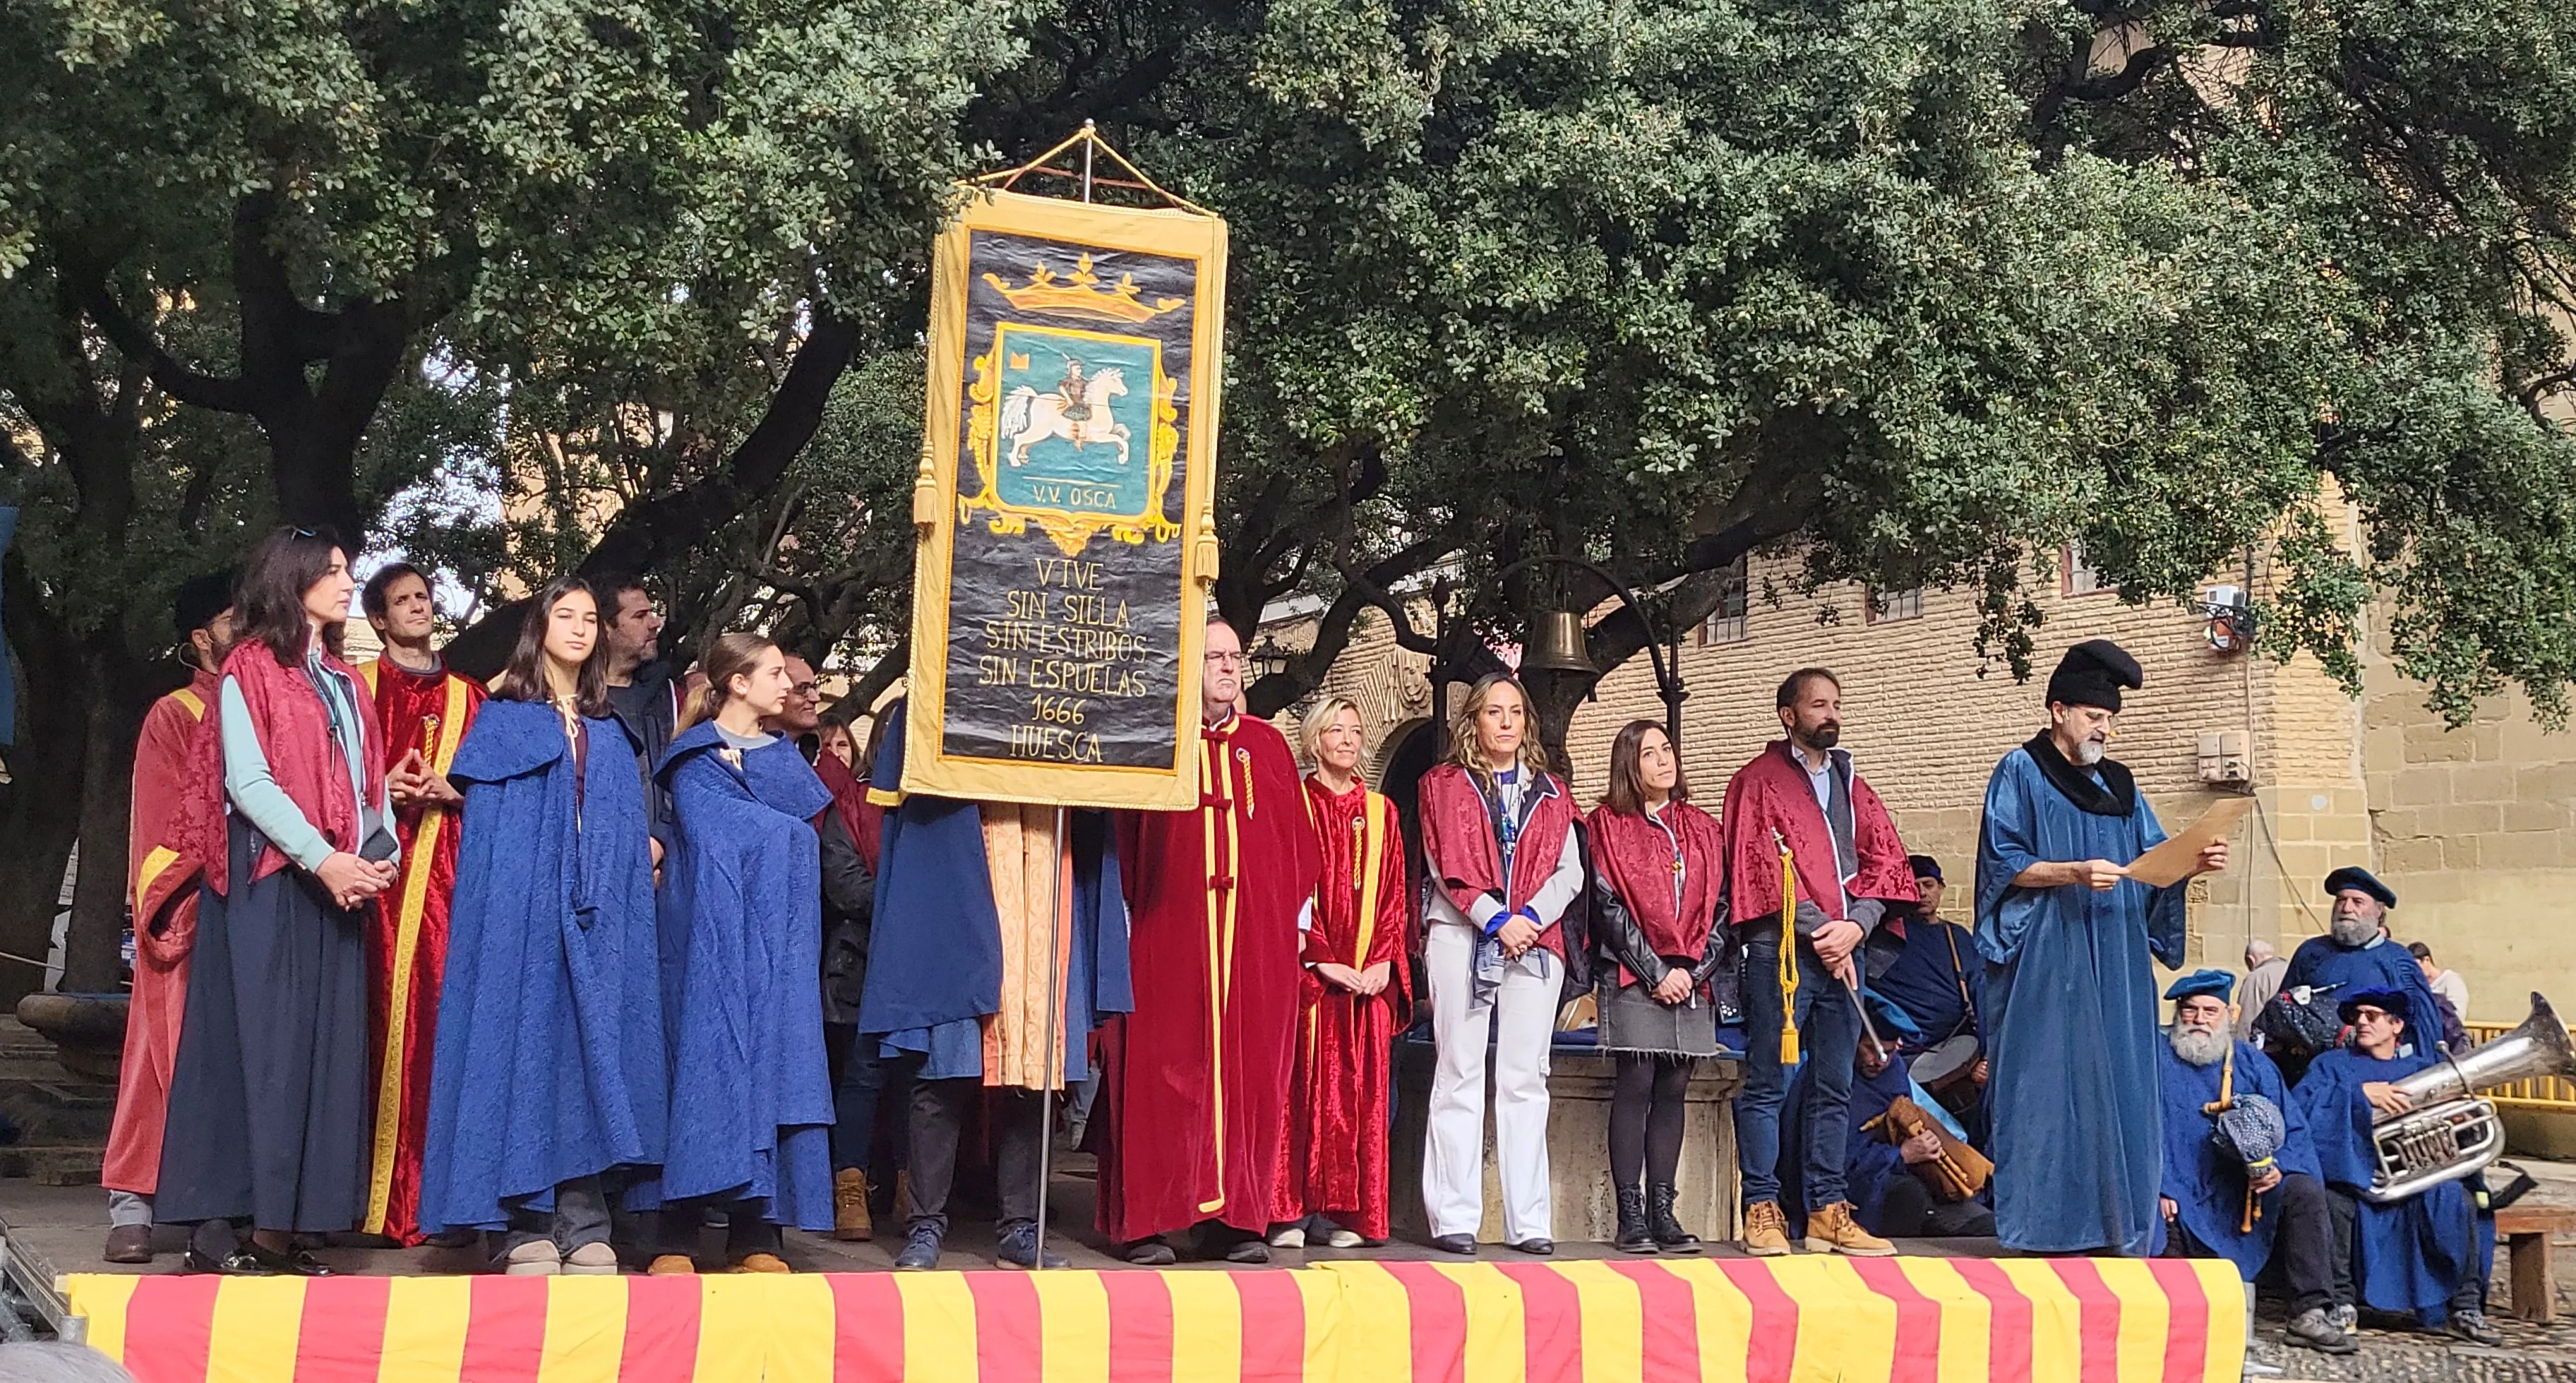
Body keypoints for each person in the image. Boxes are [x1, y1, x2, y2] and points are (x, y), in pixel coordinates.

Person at [158, 527, 397, 1274]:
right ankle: (219, 1231)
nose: (346, 583)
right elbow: (249, 782)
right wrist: (324, 859)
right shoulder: (249, 669)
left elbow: (371, 781)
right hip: (269, 879)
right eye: (332, 572)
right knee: (258, 1050)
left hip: (339, 885)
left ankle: (284, 1231)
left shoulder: (349, 681)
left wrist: (376, 855)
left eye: (348, 572)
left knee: (322, 1055)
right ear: (291, 582)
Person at [415, 576, 664, 1275]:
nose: (581, 629)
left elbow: (619, 829)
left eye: (591, 617)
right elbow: (497, 842)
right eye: (566, 616)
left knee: (592, 1059)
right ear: (540, 628)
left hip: (598, 924)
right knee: (525, 1054)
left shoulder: (610, 733)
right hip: (525, 922)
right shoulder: (504, 721)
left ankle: (584, 1221)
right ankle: (523, 1221)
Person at [857, 698, 1132, 1271]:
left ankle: (1021, 1227)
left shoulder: (1062, 698)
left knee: (1033, 1076)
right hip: (965, 883)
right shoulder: (946, 686)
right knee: (942, 1071)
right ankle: (926, 1224)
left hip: (1042, 880)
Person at [1974, 638, 2228, 1256]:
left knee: (2121, 1081)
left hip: (2115, 951)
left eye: (2110, 718)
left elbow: (2148, 862)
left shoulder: (2120, 783)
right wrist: (2071, 871)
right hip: (2047, 952)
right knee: (2047, 1084)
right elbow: (2002, 863)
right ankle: (2044, 1227)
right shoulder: (2020, 770)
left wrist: (2190, 865)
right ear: (2058, 709)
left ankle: (2117, 1228)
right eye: (2094, 716)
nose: (2104, 729)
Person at [1096, 618, 1319, 1264]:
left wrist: (1284, 929)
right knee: (1162, 1076)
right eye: (1214, 656)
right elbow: (1125, 843)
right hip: (1171, 932)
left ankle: (1238, 1220)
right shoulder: (1156, 742)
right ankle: (1150, 1220)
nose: (1228, 667)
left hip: (1252, 944)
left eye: (1234, 655)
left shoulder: (1266, 746)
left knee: (1247, 1079)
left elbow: (1296, 850)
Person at [642, 633, 836, 1273]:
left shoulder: (786, 761)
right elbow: (720, 832)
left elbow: (801, 844)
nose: (790, 685)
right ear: (737, 683)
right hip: (709, 943)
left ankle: (760, 1230)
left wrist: (782, 840)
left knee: (775, 1069)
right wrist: (784, 837)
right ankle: (680, 1228)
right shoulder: (694, 756)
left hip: (778, 945)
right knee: (704, 1064)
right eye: (775, 673)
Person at [1720, 669, 1916, 1257]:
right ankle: (1761, 1205)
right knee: (1767, 1084)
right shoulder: (1757, 782)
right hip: (1781, 954)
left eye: (1835, 703)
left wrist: (1856, 925)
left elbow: (1887, 859)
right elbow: (1753, 862)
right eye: (1817, 704)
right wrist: (1820, 932)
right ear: (1788, 714)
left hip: (1843, 951)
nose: (1830, 714)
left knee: (1835, 1084)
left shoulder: (1851, 782)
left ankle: (1828, 1209)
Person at [1414, 672, 1583, 1257]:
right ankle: (1454, 1215)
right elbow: (1444, 862)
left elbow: (1570, 871)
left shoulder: (1552, 792)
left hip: (1534, 940)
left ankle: (1528, 1219)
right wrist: (1494, 918)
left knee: (1524, 1078)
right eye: (1493, 711)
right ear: (1474, 721)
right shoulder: (1443, 784)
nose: (1506, 721)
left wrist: (1528, 918)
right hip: (1462, 932)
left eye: (1515, 710)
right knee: (1459, 1070)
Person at [349, 561, 487, 1245]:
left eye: (424, 598)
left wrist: (449, 791)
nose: (416, 609)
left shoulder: (471, 696)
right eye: (401, 601)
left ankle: (436, 1203)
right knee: (367, 1031)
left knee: (439, 1036)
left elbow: (497, 789)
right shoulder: (355, 689)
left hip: (447, 890)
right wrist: (384, 788)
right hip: (371, 889)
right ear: (377, 619)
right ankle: (363, 1203)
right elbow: (325, 779)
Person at [100, 573, 234, 1264]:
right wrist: (186, 896)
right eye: (233, 617)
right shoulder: (174, 714)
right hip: (193, 909)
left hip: (258, 913)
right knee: (161, 1057)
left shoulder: (274, 706)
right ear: (201, 636)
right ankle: (134, 1202)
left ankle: (226, 1206)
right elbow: (160, 829)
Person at [2152, 970, 2354, 1355]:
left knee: (2305, 1191)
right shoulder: (2154, 1063)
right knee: (2163, 1238)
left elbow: (2292, 1126)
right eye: (2190, 1010)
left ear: (2229, 1013)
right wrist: (2158, 1186)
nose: (2199, 1020)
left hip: (2242, 1187)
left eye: (2210, 1011)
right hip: (2179, 1186)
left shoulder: (2252, 1064)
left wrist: (2278, 1167)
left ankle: (2309, 1312)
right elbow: (2137, 1135)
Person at [1278, 696, 1411, 1251]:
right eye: (1336, 728)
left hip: (1367, 981)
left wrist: (1381, 959)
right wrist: (1320, 956)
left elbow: (1393, 895)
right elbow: (1288, 888)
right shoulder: (1293, 805)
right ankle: (1288, 1211)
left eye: (1356, 730)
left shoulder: (1381, 812)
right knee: (1299, 1096)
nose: (1348, 739)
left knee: (1359, 1099)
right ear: (1314, 738)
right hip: (1309, 978)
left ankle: (1343, 1216)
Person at [1587, 719, 1724, 1255]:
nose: (1664, 760)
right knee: (1638, 1080)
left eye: (1667, 749)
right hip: (1634, 971)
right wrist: (1654, 970)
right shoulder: (1606, 825)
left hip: (1691, 973)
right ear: (1629, 763)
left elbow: (1723, 905)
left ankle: (1664, 1210)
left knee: (1674, 1085)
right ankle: (1631, 1215)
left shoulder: (1703, 828)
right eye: (1649, 753)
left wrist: (1694, 968)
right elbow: (1606, 904)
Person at [2296, 990, 2498, 1344]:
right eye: (2358, 1015)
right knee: (2330, 1203)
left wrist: (2458, 1123)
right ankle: (2341, 1303)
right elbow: (2301, 1109)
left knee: (2458, 1200)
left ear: (2397, 1025)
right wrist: (2358, 1096)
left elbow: (2457, 1133)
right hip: (2354, 1176)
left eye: (2372, 1016)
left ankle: (2465, 1306)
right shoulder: (2330, 1065)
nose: (2361, 1021)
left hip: (2416, 1180)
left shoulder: (2423, 1067)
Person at [1780, 990, 1996, 1241]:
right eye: (1870, 1049)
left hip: (1903, 1175)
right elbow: (1821, 1155)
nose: (1878, 1061)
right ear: (1853, 1041)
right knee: (1908, 1197)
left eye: (1888, 1051)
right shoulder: (1826, 1076)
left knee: (1984, 1223)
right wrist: (1900, 1155)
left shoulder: (1893, 1072)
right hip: (1857, 1190)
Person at [805, 704, 884, 1245]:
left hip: (918, 961)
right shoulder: (849, 807)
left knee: (916, 1082)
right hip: (858, 958)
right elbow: (847, 887)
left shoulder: (934, 809)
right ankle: (847, 1184)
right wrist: (911, 898)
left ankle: (911, 1188)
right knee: (861, 1074)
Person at [2282, 868, 2456, 1058]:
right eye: (2341, 900)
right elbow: (2282, 1009)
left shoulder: (2399, 961)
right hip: (2312, 1072)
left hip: (2378, 1073)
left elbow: (2424, 1029)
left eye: (2358, 902)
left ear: (2378, 910)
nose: (2347, 908)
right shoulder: (2310, 952)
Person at [599, 579, 679, 848]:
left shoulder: (667, 695)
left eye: (652, 612)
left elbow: (679, 778)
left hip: (658, 863)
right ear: (606, 628)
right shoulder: (571, 698)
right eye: (640, 616)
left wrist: (659, 843)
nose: (655, 623)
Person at [2408, 942, 2470, 1029]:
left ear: (2427, 960)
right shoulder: (2416, 985)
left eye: (2417, 966)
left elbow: (2458, 1014)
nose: (2415, 971)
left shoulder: (2451, 980)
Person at [2239, 939, 2287, 1045]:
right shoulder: (2292, 969)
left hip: (2269, 1047)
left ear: (2251, 960)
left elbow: (2246, 1018)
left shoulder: (2257, 977)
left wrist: (2240, 1050)